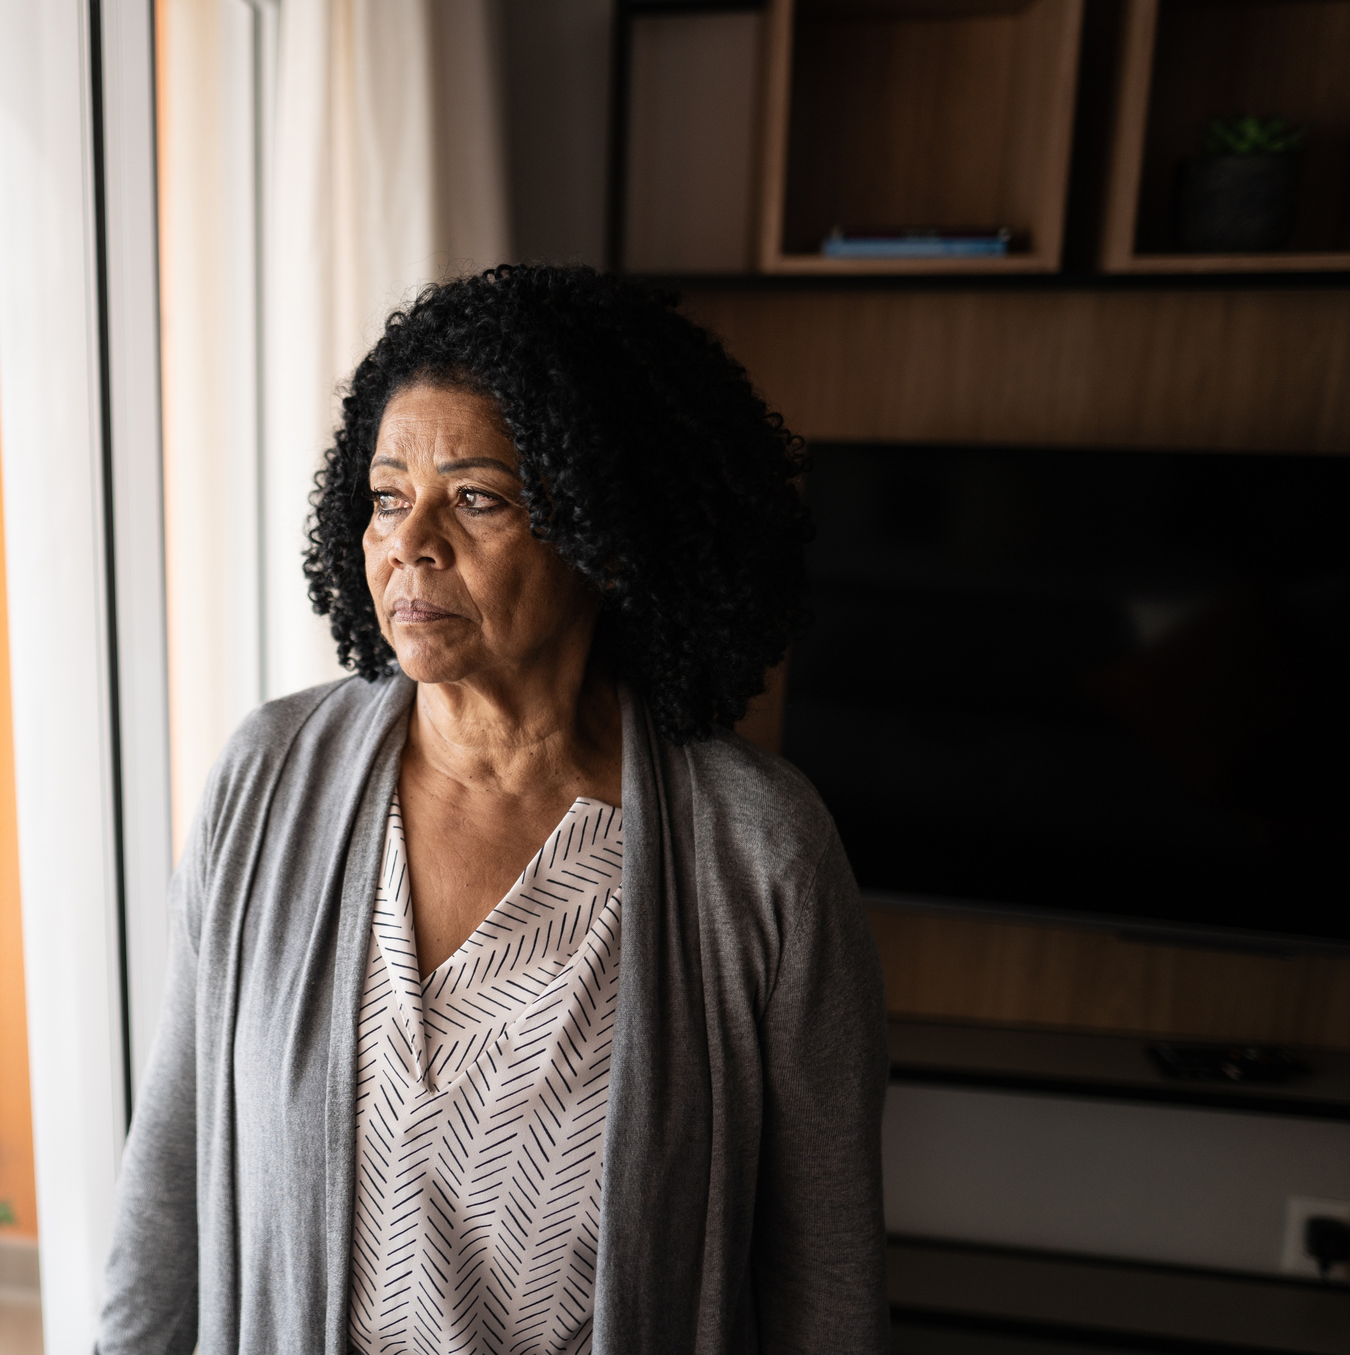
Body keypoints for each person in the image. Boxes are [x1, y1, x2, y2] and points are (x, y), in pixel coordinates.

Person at [98, 265, 888, 1354]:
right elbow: (169, 1187)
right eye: (386, 495)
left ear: (606, 535)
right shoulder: (267, 782)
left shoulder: (762, 856)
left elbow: (827, 1279)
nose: (409, 539)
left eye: (477, 497)